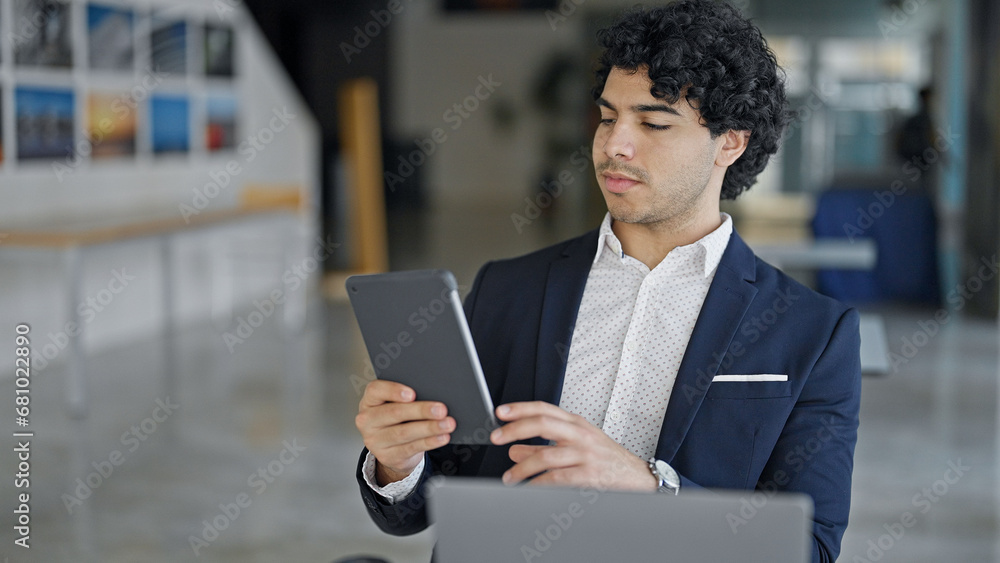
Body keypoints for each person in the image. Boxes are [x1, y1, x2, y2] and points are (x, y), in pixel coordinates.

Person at [354, 1, 861, 562]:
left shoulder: (813, 333)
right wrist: (397, 463)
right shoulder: (507, 289)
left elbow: (806, 549)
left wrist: (649, 487)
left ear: (731, 141)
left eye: (653, 122)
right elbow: (429, 503)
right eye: (607, 116)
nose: (615, 144)